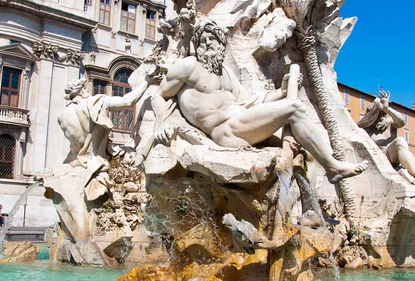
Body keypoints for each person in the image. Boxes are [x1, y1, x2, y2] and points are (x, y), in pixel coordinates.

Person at [153, 19, 367, 184]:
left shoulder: (226, 73)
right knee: (294, 108)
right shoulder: (189, 66)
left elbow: (251, 102)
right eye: (203, 40)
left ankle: (309, 215)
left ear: (221, 44)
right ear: (196, 44)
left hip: (241, 124)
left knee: (305, 153)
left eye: (214, 39)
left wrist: (282, 91)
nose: (209, 44)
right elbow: (159, 95)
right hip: (224, 131)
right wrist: (161, 124)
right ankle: (332, 167)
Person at [57, 67, 161, 200]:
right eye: (86, 89)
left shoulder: (62, 116)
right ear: (82, 90)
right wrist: (147, 81)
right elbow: (127, 101)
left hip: (72, 161)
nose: (88, 91)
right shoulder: (94, 103)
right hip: (94, 162)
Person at [358, 91, 415, 188]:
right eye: (379, 115)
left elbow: (402, 122)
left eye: (383, 114)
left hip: (398, 156)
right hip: (383, 161)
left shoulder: (390, 123)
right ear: (372, 116)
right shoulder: (366, 130)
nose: (382, 118)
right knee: (400, 141)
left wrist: (387, 109)